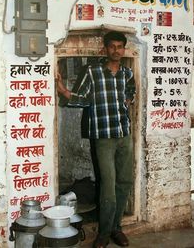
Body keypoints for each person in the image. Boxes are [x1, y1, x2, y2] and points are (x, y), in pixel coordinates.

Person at [57, 30, 136, 248]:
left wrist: (129, 99)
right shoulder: (92, 71)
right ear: (105, 48)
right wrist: (64, 91)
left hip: (124, 134)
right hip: (103, 137)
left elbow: (131, 92)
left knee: (125, 182)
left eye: (120, 47)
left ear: (124, 49)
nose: (116, 51)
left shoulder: (127, 73)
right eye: (112, 46)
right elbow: (82, 99)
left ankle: (116, 228)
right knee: (108, 186)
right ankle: (103, 233)